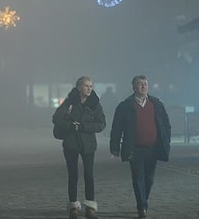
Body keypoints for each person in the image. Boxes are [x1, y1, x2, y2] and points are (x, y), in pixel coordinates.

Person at [110, 75, 171, 218]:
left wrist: (166, 141)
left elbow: (165, 125)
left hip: (153, 148)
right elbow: (117, 128)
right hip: (135, 148)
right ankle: (142, 207)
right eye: (139, 84)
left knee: (149, 179)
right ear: (133, 87)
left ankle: (144, 200)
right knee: (138, 178)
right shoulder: (125, 106)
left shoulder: (156, 104)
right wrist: (114, 147)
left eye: (145, 84)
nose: (143, 86)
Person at [52, 76, 106, 219]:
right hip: (71, 143)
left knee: (89, 175)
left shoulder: (95, 104)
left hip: (88, 144)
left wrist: (83, 127)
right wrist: (71, 126)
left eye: (91, 86)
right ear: (78, 87)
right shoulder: (69, 102)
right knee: (73, 175)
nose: (89, 88)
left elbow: (101, 124)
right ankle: (73, 206)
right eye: (86, 86)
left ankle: (90, 207)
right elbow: (56, 118)